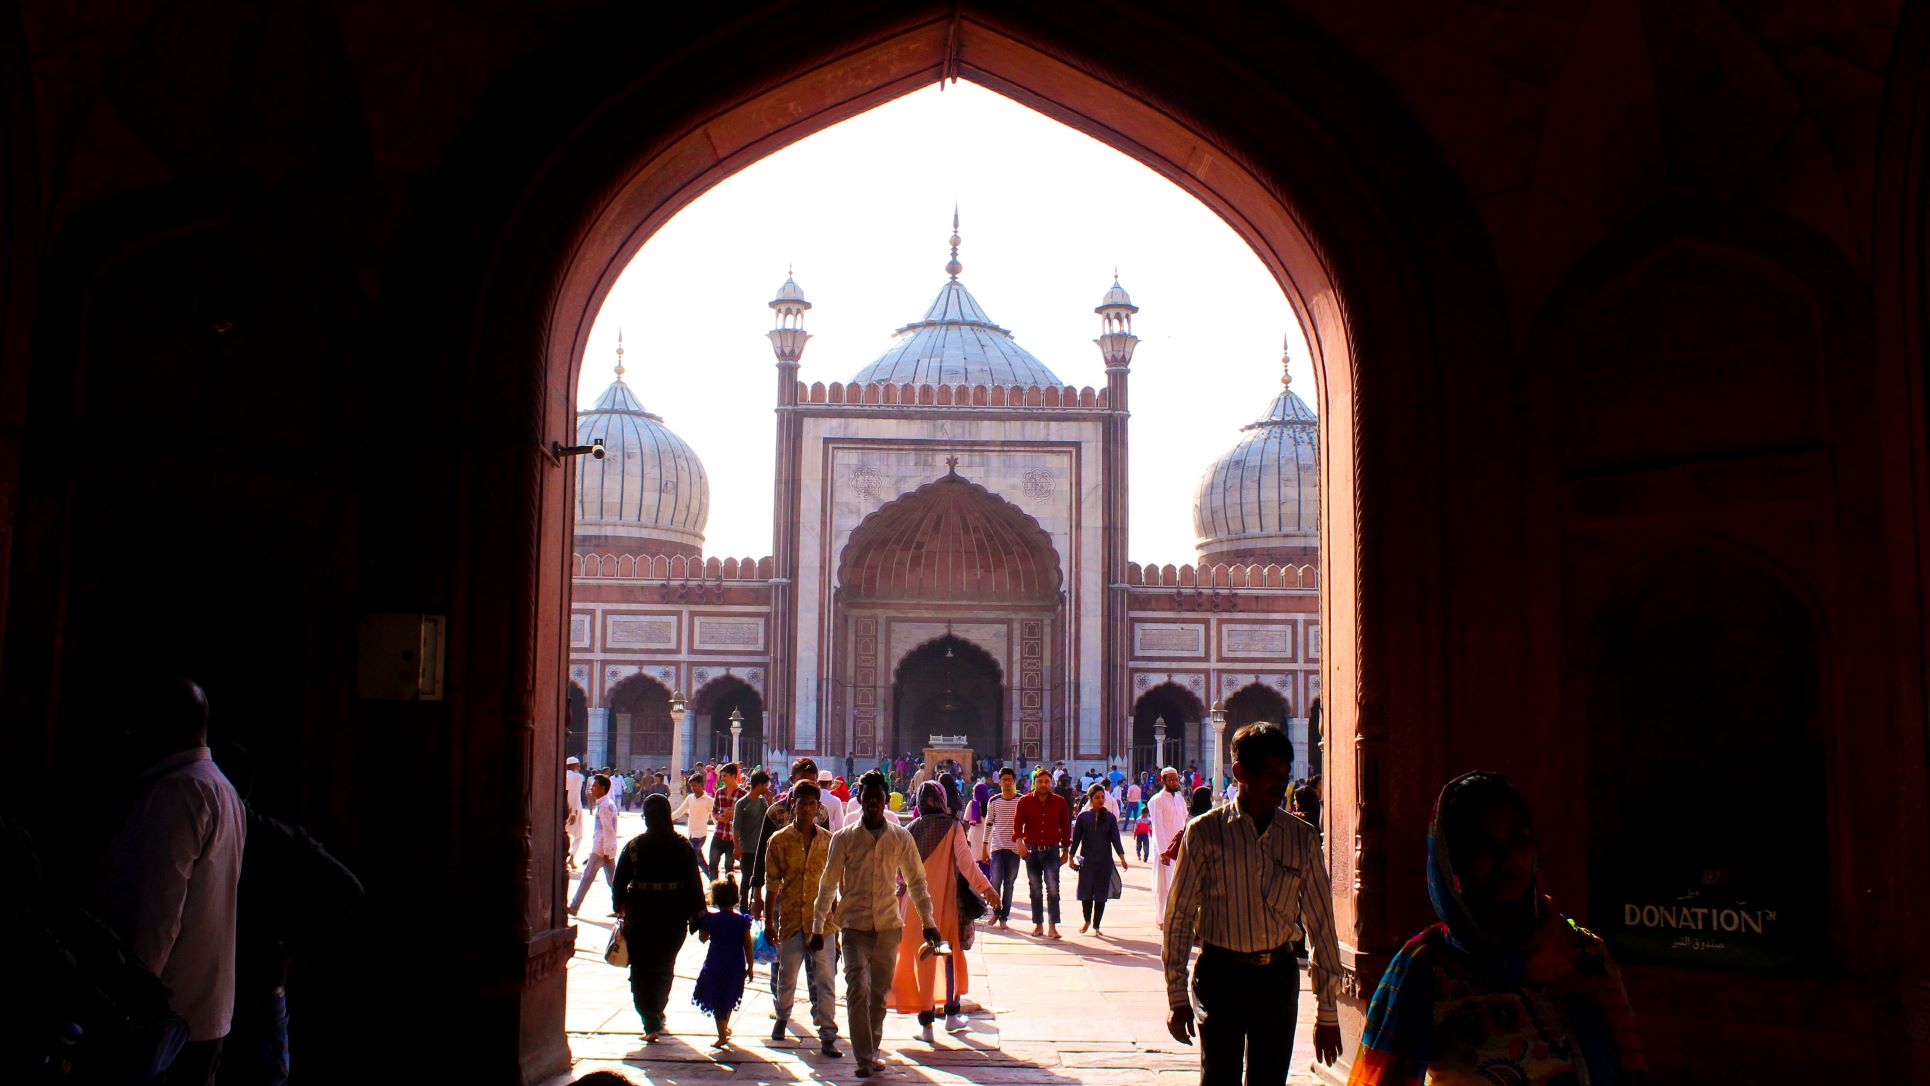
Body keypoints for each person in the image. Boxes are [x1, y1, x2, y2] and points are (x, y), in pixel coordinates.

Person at [1347, 772, 1649, 1086]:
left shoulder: (1584, 955)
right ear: (1453, 863)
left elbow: (1632, 1068)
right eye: (1483, 846)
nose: (1506, 859)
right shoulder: (1425, 968)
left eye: (1517, 838)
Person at [1163, 723, 1344, 1085]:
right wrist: (1176, 994)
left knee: (1269, 1078)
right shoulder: (1205, 832)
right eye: (1269, 773)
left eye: (1284, 774)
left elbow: (1321, 925)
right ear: (1240, 773)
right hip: (1220, 974)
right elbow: (1179, 917)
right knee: (1219, 1077)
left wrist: (1327, 1013)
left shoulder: (1300, 837)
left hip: (1276, 976)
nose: (1280, 782)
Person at [96, 677, 246, 1086]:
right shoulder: (220, 787)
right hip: (205, 1012)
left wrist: (128, 1003)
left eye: (145, 722)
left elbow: (159, 912)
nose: (134, 733)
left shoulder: (178, 792)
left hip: (165, 1021)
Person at [811, 772, 941, 1078]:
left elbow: (917, 883)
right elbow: (828, 883)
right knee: (857, 988)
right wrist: (818, 926)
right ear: (860, 800)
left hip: (887, 925)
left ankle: (872, 1049)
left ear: (886, 801)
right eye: (867, 798)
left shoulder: (900, 837)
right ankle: (864, 1058)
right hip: (854, 926)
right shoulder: (844, 838)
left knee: (878, 996)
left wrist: (929, 923)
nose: (872, 804)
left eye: (877, 799)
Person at [891, 781, 999, 1043]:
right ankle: (951, 1016)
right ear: (942, 799)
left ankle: (926, 1026)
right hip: (945, 904)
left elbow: (899, 873)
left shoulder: (910, 829)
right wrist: (987, 888)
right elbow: (966, 863)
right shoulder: (952, 826)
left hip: (914, 907)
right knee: (948, 956)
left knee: (923, 960)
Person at [614, 793, 706, 1043]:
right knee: (664, 967)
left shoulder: (633, 846)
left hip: (641, 915)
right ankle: (656, 1012)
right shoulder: (682, 846)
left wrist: (619, 907)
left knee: (641, 968)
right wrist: (699, 919)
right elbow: (694, 885)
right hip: (672, 916)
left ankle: (650, 1019)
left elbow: (619, 882)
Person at [762, 781, 841, 1056]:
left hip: (822, 920)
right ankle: (782, 1017)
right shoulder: (779, 840)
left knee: (825, 979)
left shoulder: (829, 842)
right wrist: (768, 922)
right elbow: (772, 883)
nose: (806, 809)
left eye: (811, 804)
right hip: (792, 916)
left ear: (818, 808)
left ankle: (828, 1034)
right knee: (787, 975)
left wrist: (837, 921)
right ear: (792, 803)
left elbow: (834, 884)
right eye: (802, 803)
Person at [690, 876, 755, 1048]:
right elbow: (747, 945)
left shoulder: (711, 919)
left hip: (715, 961)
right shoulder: (742, 921)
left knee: (717, 997)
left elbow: (703, 938)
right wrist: (751, 966)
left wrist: (702, 925)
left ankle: (721, 1034)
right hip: (735, 963)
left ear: (715, 899)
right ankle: (724, 1028)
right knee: (729, 995)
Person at [1013, 766, 1073, 939]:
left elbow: (1066, 827)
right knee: (1036, 889)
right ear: (1034, 783)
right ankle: (1038, 925)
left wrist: (1066, 850)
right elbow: (1017, 825)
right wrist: (1019, 842)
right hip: (1031, 851)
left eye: (1046, 781)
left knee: (1053, 888)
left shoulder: (1060, 802)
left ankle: (1053, 926)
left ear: (1051, 783)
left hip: (1052, 850)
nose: (1043, 784)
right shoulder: (1024, 801)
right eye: (1040, 781)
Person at [1069, 781, 1128, 936]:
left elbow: (1115, 839)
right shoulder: (1083, 818)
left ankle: (1096, 925)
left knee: (1101, 894)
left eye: (1102, 797)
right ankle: (1087, 920)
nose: (1101, 800)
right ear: (1090, 799)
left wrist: (1122, 858)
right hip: (1086, 860)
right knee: (1086, 892)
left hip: (1104, 861)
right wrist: (1070, 857)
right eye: (1097, 797)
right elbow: (1076, 840)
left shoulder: (1109, 818)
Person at [980, 768, 1024, 928]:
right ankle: (996, 912)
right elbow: (989, 824)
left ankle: (1004, 917)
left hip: (1014, 849)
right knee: (995, 882)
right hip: (997, 847)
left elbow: (1026, 823)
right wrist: (984, 846)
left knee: (1009, 883)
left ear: (1014, 781)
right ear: (1000, 782)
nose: (1006, 782)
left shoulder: (1021, 800)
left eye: (1009, 780)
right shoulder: (994, 801)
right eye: (1004, 779)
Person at [568, 775, 618, 916]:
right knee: (612, 881)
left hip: (601, 849)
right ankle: (622, 907)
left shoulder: (604, 806)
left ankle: (574, 907)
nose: (592, 788)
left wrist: (607, 851)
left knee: (587, 878)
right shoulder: (606, 803)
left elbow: (608, 830)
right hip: (605, 848)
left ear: (602, 788)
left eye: (594, 786)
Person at [1147, 766, 1189, 928]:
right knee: (1163, 885)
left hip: (1180, 847)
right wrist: (1164, 851)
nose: (1174, 782)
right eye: (1170, 780)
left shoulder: (1179, 798)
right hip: (1164, 850)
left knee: (1178, 884)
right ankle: (1162, 918)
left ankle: (1176, 916)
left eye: (1175, 779)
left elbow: (1185, 822)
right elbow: (1158, 827)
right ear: (1162, 781)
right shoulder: (1156, 800)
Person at [671, 773, 716, 880]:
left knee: (690, 857)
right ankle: (712, 879)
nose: (693, 788)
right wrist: (667, 818)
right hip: (691, 834)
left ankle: (686, 879)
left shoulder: (709, 800)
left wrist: (718, 829)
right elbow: (680, 811)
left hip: (701, 835)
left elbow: (714, 816)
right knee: (699, 859)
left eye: (695, 785)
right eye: (691, 786)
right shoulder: (690, 798)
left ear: (701, 784)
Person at [709, 762, 743, 875]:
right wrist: (719, 817)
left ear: (733, 776)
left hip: (733, 837)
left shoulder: (743, 794)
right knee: (713, 864)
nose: (722, 779)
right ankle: (714, 889)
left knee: (729, 867)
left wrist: (734, 814)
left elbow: (746, 815)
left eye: (725, 776)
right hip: (719, 833)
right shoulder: (719, 792)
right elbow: (714, 811)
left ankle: (729, 890)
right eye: (721, 776)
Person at [565, 756, 586, 873]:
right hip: (574, 809)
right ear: (573, 765)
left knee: (564, 833)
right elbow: (574, 795)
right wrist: (573, 812)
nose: (579, 767)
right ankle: (571, 856)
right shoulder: (578, 777)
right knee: (578, 836)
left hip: (562, 808)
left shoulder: (562, 775)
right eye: (577, 765)